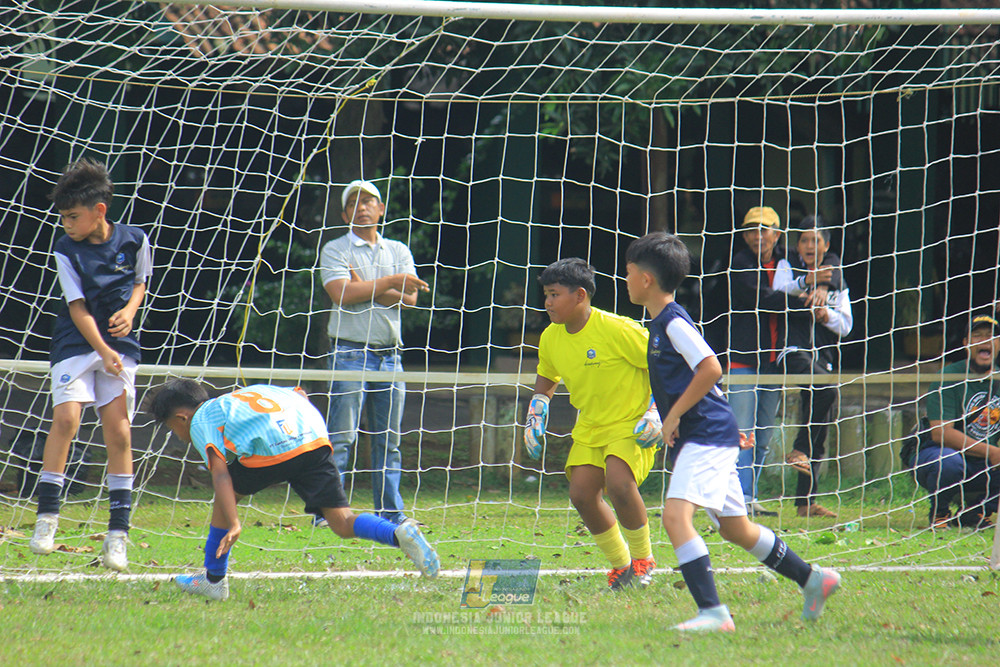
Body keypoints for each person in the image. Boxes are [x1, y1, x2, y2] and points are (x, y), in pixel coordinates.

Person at [625, 231, 841, 632]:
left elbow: (711, 368)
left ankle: (713, 612)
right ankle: (814, 579)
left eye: (628, 271)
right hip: (710, 431)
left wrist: (674, 419)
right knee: (735, 528)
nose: (626, 279)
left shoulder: (672, 321)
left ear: (645, 279)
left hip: (704, 432)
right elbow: (703, 379)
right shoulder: (659, 323)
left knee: (675, 517)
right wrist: (721, 422)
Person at [145, 379, 439, 601]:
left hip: (275, 449)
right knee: (342, 522)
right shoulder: (243, 396)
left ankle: (213, 579)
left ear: (181, 418)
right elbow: (300, 395)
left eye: (172, 428)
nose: (177, 434)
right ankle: (399, 533)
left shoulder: (200, 419)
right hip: (312, 438)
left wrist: (234, 522)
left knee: (226, 498)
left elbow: (219, 475)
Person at [29, 158, 152, 571]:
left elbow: (140, 283)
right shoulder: (66, 249)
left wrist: (131, 312)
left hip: (120, 344)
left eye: (72, 216)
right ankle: (47, 517)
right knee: (67, 421)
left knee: (118, 432)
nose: (66, 224)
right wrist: (102, 348)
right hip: (77, 343)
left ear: (99, 210)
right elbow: (77, 307)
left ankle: (118, 535)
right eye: (62, 217)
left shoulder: (135, 239)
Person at [523, 258, 662, 590]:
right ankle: (622, 566)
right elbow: (546, 380)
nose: (548, 303)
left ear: (580, 295)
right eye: (546, 294)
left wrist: (657, 411)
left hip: (631, 422)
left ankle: (644, 560)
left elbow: (665, 366)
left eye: (555, 294)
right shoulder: (551, 337)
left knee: (618, 483)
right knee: (582, 493)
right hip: (590, 426)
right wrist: (534, 415)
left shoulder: (619, 329)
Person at [318, 179, 428, 525]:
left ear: (381, 209)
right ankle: (328, 513)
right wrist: (389, 282)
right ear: (344, 213)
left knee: (389, 441)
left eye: (369, 201)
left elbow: (410, 300)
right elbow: (340, 293)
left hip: (391, 356)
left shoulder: (398, 250)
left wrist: (363, 285)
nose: (362, 207)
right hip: (349, 353)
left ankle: (391, 513)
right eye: (354, 203)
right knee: (341, 438)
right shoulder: (335, 249)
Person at [728, 206, 826, 516]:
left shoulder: (789, 260)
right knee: (742, 434)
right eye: (749, 231)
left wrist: (823, 284)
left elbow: (828, 259)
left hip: (773, 363)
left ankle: (750, 496)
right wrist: (803, 299)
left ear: (777, 234)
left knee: (764, 435)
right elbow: (764, 298)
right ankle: (739, 500)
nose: (756, 236)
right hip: (743, 360)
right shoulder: (740, 264)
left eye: (763, 230)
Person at [773, 216, 853, 518]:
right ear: (797, 245)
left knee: (817, 426)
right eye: (805, 240)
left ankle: (806, 503)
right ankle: (798, 448)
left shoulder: (838, 279)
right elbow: (780, 289)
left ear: (826, 246)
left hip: (824, 357)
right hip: (793, 350)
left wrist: (825, 314)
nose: (810, 246)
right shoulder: (787, 266)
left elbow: (846, 325)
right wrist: (810, 282)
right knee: (827, 391)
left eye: (816, 241)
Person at [912, 313, 1000, 529]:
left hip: (983, 461)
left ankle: (977, 510)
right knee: (949, 462)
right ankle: (940, 511)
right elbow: (941, 434)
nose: (984, 341)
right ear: (966, 343)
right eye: (977, 335)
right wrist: (992, 452)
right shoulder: (948, 376)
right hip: (939, 454)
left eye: (991, 336)